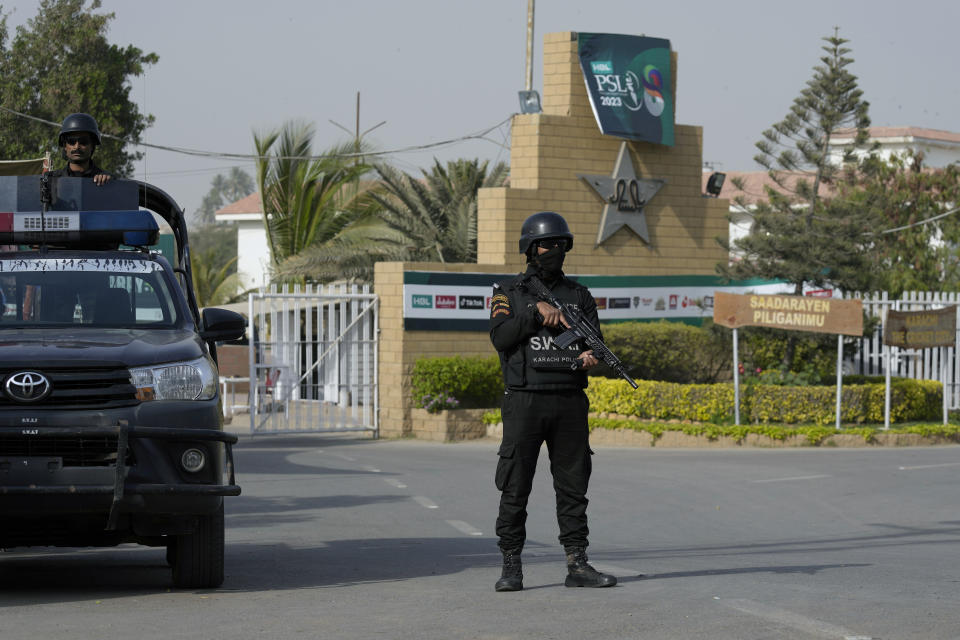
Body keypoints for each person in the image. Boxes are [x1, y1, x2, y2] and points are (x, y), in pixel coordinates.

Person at [488, 211, 617, 592]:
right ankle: (512, 565)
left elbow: (594, 342)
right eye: (547, 245)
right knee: (515, 486)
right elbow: (500, 338)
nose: (555, 251)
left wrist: (592, 357)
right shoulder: (508, 292)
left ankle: (577, 564)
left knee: (574, 487)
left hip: (569, 400)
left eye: (561, 245)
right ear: (530, 248)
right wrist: (534, 312)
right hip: (525, 400)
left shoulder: (578, 295)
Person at [47, 113, 111, 185]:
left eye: (83, 141)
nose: (76, 146)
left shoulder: (106, 180)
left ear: (92, 146)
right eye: (71, 141)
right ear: (65, 145)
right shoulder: (51, 180)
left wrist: (107, 183)